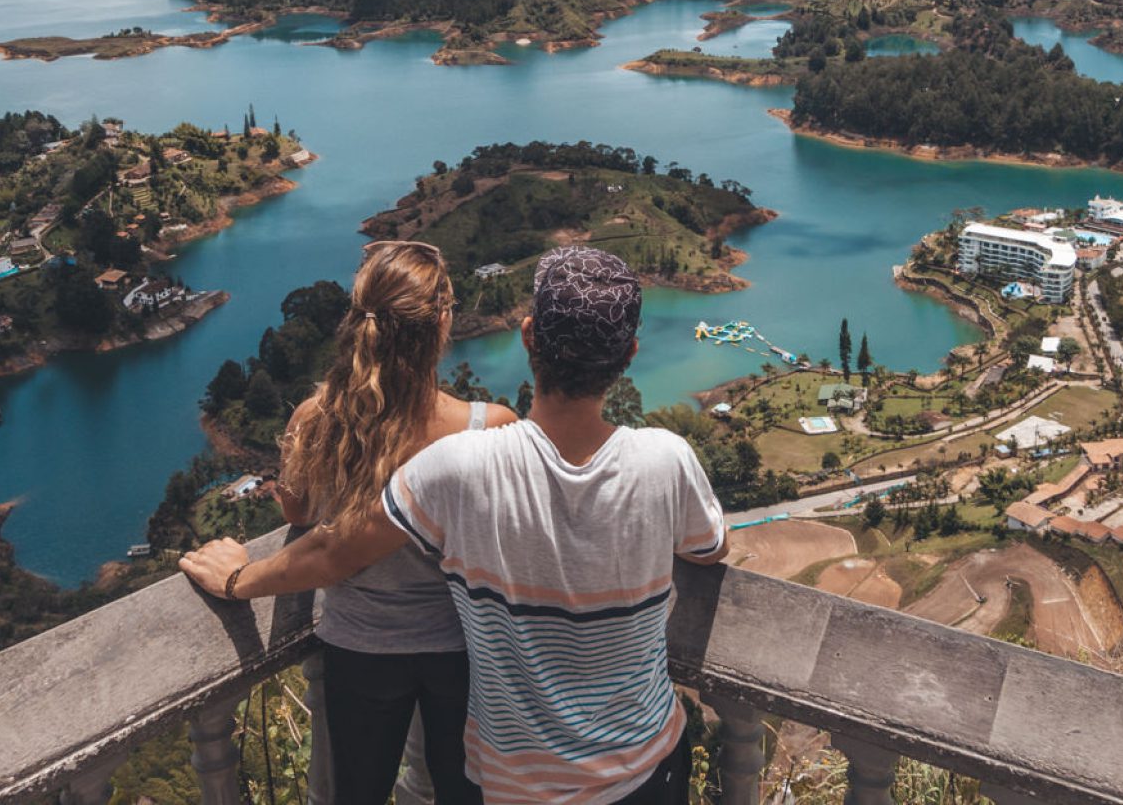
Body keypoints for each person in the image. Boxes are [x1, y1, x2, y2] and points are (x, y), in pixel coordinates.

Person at [182, 246, 728, 805]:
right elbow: (710, 549)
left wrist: (236, 580)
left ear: (528, 335)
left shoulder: (462, 464)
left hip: (510, 776)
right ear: (630, 352)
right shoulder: (668, 457)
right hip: (647, 768)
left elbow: (332, 550)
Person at [274, 240, 514, 805]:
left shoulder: (316, 420)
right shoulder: (490, 428)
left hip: (360, 646)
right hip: (463, 650)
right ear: (443, 322)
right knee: (465, 794)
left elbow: (296, 512)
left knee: (355, 793)